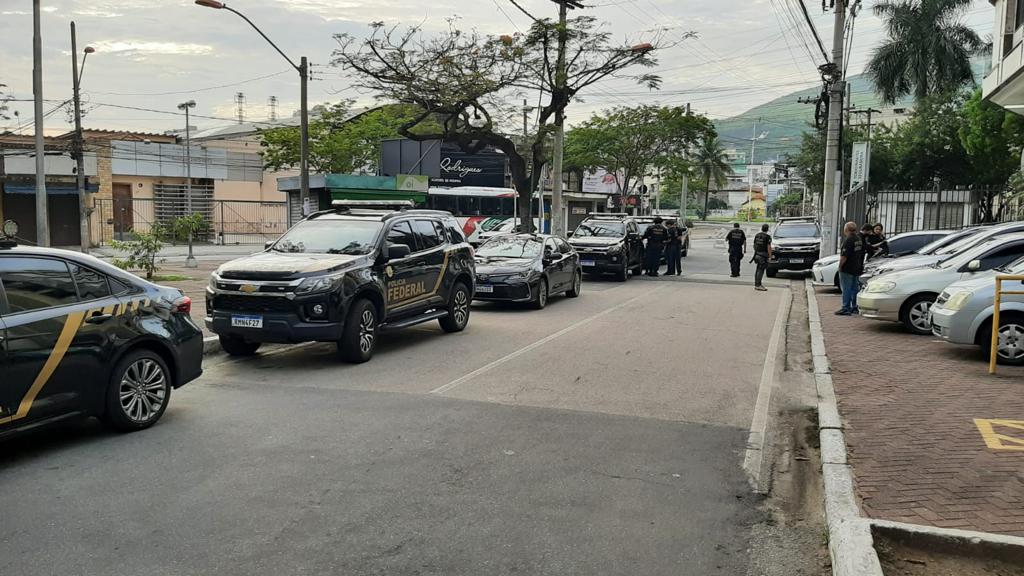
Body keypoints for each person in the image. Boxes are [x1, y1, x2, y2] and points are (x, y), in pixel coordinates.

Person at [836, 221, 866, 316]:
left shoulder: (848, 240)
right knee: (854, 288)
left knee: (846, 288)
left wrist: (840, 266)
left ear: (846, 229)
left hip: (847, 268)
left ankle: (846, 308)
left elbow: (844, 256)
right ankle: (854, 307)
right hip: (856, 266)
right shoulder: (858, 239)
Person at [752, 223, 773, 291]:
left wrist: (756, 251)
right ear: (767, 229)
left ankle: (757, 284)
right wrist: (770, 256)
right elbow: (769, 247)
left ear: (762, 228)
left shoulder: (757, 235)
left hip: (757, 255)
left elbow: (754, 245)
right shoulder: (767, 237)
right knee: (761, 270)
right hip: (763, 256)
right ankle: (758, 285)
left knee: (758, 270)